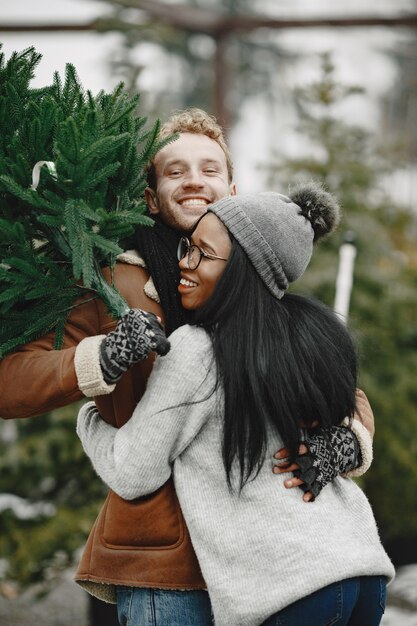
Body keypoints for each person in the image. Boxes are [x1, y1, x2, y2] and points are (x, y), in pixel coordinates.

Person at [0, 109, 374, 614]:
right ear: (151, 197)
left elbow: (332, 379)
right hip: (163, 562)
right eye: (175, 171)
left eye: (210, 169)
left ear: (233, 190)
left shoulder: (255, 269)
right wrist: (104, 358)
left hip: (265, 559)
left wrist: (349, 439)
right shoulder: (103, 282)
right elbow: (10, 382)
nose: (195, 180)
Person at [77, 184, 395, 626]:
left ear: (246, 270)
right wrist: (349, 442)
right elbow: (351, 412)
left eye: (203, 254)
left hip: (291, 587)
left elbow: (135, 472)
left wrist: (89, 419)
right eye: (187, 247)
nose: (183, 263)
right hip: (361, 569)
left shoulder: (197, 350)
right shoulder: (310, 335)